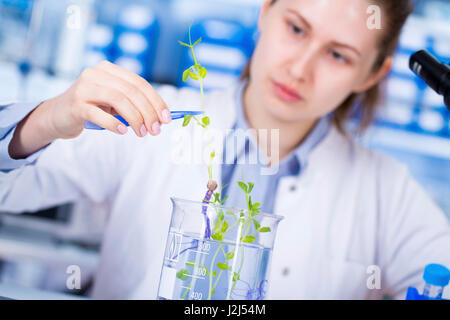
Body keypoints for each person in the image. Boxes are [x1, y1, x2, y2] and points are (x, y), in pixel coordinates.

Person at [1, 0, 449, 299]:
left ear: (372, 74)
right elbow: (9, 188)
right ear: (265, 11)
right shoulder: (156, 123)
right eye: (296, 28)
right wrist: (48, 118)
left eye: (338, 55)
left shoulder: (385, 191)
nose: (299, 68)